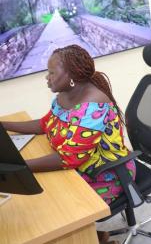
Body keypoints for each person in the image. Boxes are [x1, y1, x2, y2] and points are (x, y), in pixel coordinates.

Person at [0, 44, 135, 244]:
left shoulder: (92, 107)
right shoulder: (65, 95)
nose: (47, 77)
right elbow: (44, 124)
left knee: (46, 209)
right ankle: (90, 237)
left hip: (105, 175)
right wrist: (3, 125)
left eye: (52, 73)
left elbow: (68, 157)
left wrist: (18, 169)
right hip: (78, 169)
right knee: (37, 198)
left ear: (72, 75)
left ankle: (86, 237)